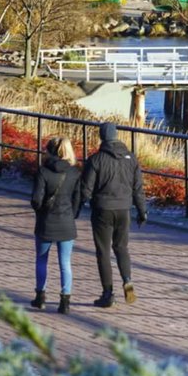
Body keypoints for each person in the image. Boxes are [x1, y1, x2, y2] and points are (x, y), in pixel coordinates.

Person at [80, 122, 147, 308]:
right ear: (117, 136)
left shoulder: (96, 160)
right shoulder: (131, 159)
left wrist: (76, 207)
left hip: (102, 210)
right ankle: (127, 279)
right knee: (121, 247)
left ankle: (108, 293)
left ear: (102, 137)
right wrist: (142, 211)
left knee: (103, 252)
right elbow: (138, 189)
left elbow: (85, 190)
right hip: (124, 210)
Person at [30, 136, 83, 314]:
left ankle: (40, 297)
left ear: (50, 151)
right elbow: (77, 199)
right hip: (67, 222)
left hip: (46, 221)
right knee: (65, 263)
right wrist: (72, 214)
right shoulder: (75, 172)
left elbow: (36, 199)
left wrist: (39, 210)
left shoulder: (43, 172)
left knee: (41, 260)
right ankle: (65, 300)